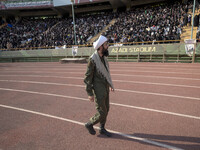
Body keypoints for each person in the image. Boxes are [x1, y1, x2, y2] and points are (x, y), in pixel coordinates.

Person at [84, 35, 114, 137]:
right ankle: (89, 123)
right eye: (106, 45)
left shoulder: (103, 58)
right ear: (100, 46)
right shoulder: (92, 60)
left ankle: (102, 128)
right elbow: (88, 77)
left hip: (105, 87)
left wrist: (109, 84)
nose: (108, 46)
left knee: (107, 109)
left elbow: (106, 73)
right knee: (102, 112)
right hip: (98, 89)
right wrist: (89, 93)